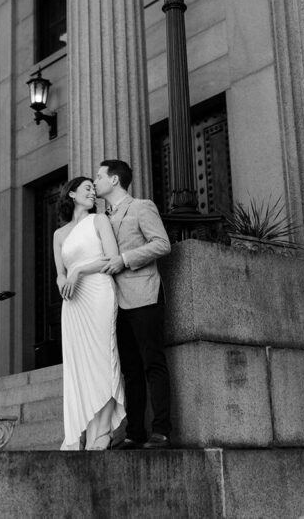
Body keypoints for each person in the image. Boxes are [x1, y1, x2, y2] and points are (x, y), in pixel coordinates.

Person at [94, 159, 173, 449]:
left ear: (114, 180)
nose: (95, 181)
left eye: (99, 176)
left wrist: (125, 259)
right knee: (130, 369)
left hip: (144, 294)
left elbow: (162, 244)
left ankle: (161, 430)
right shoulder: (100, 218)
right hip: (115, 303)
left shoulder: (141, 207)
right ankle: (135, 432)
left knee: (153, 362)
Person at [53, 176, 126, 450]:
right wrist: (62, 280)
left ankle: (104, 430)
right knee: (80, 368)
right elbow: (60, 273)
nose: (93, 192)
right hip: (73, 304)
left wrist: (79, 271)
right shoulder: (59, 235)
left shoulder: (100, 220)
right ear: (71, 194)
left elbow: (112, 258)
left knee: (103, 360)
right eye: (87, 188)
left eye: (94, 189)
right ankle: (82, 430)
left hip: (98, 292)